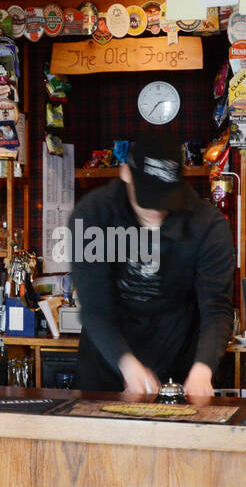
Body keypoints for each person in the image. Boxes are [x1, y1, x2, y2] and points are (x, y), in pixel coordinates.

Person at [69, 129, 236, 397]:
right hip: (104, 372)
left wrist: (204, 368)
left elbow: (216, 308)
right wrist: (126, 364)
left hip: (179, 375)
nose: (156, 211)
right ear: (125, 173)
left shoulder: (206, 224)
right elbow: (95, 307)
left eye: (164, 199)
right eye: (147, 197)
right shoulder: (93, 216)